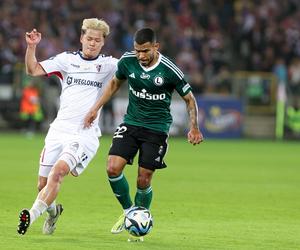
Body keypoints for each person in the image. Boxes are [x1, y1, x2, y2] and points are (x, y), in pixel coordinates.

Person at [84, 28, 203, 240]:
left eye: (145, 51)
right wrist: (95, 108)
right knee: (112, 168)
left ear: (156, 47)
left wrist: (194, 127)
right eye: (137, 50)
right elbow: (114, 84)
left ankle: (140, 220)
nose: (140, 56)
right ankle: (130, 213)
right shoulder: (128, 61)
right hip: (131, 123)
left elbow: (189, 99)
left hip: (156, 129)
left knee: (143, 179)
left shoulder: (169, 70)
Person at [17, 18, 118, 235]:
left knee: (59, 172)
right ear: (82, 38)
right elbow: (32, 70)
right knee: (42, 185)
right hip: (58, 130)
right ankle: (54, 213)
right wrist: (32, 47)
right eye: (89, 38)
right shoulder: (66, 60)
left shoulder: (110, 65)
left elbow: (137, 67)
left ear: (103, 43)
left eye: (97, 40)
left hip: (83, 134)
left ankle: (31, 215)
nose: (92, 43)